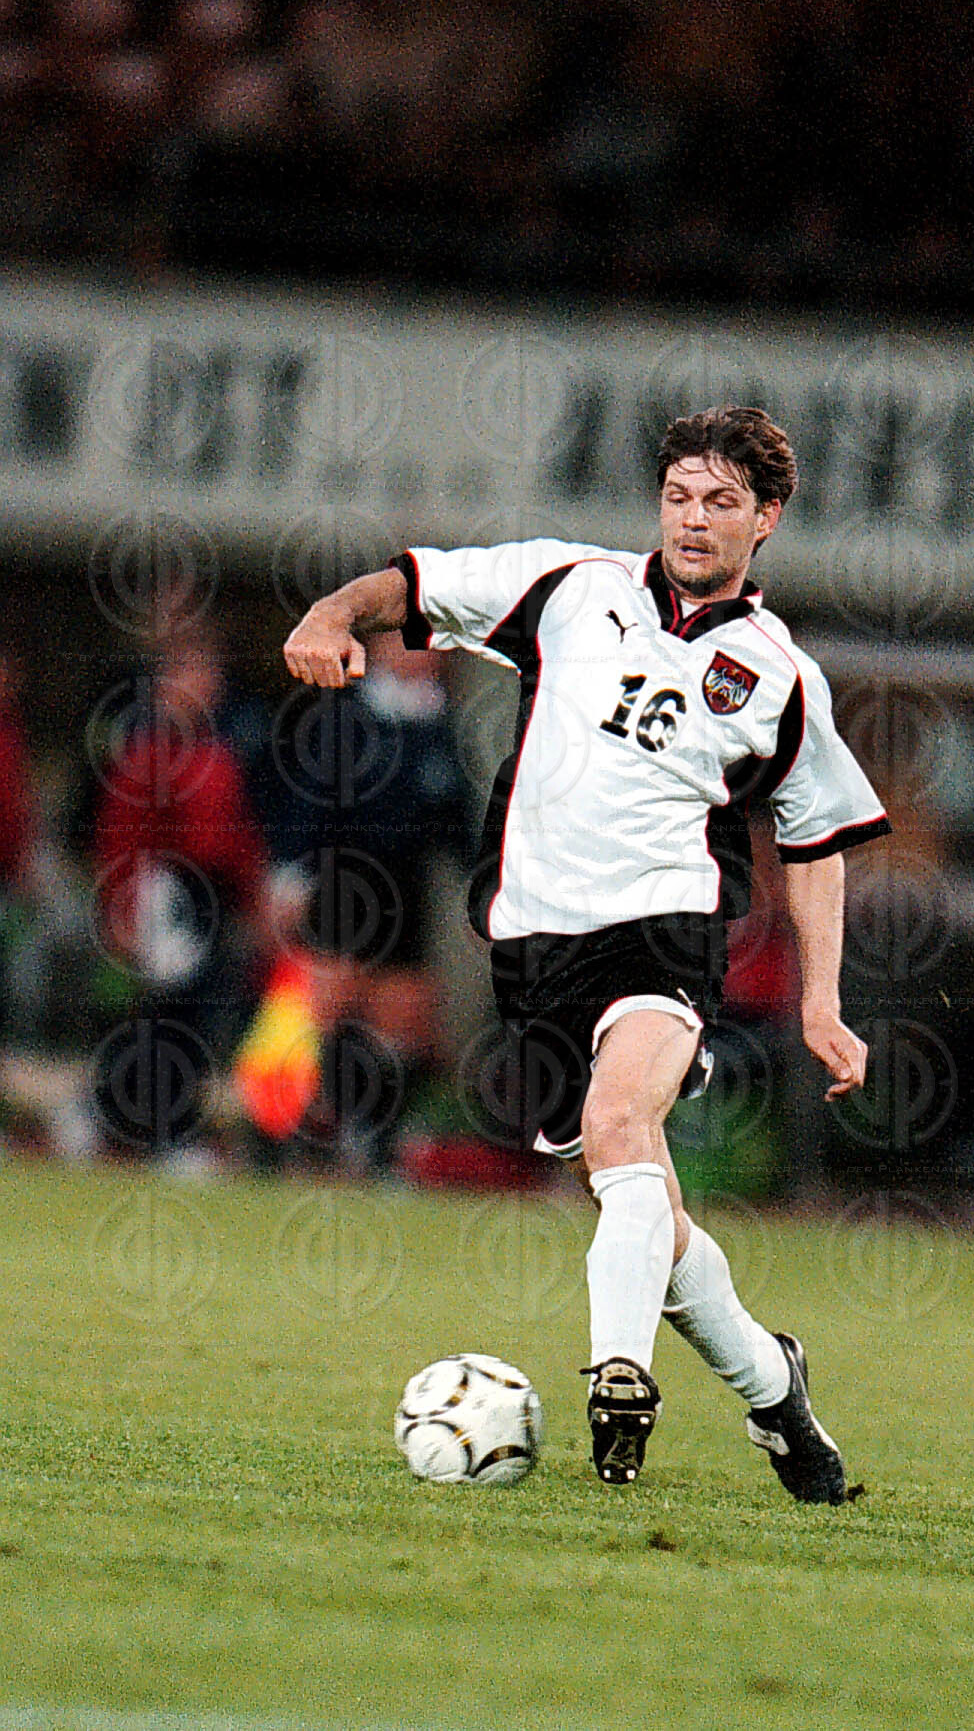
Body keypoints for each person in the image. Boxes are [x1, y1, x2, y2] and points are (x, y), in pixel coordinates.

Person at [283, 405, 890, 1500]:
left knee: (620, 1122)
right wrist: (331, 614)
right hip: (534, 944)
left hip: (666, 931)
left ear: (766, 519)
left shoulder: (780, 677)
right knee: (640, 1200)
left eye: (720, 502)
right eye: (678, 496)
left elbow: (817, 841)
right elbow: (409, 587)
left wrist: (823, 1002)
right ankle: (773, 1386)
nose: (693, 519)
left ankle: (620, 1377)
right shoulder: (568, 585)